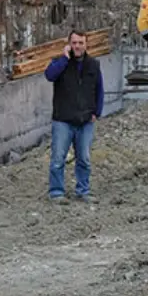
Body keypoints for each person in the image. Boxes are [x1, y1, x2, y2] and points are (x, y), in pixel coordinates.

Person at [44, 30, 104, 203]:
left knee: (84, 159)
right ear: (69, 44)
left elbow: (99, 90)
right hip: (63, 119)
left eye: (81, 43)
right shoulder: (60, 63)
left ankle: (83, 191)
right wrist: (64, 59)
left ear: (86, 45)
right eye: (74, 43)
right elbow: (49, 76)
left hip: (85, 120)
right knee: (58, 158)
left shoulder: (93, 65)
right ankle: (56, 193)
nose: (77, 46)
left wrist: (96, 112)